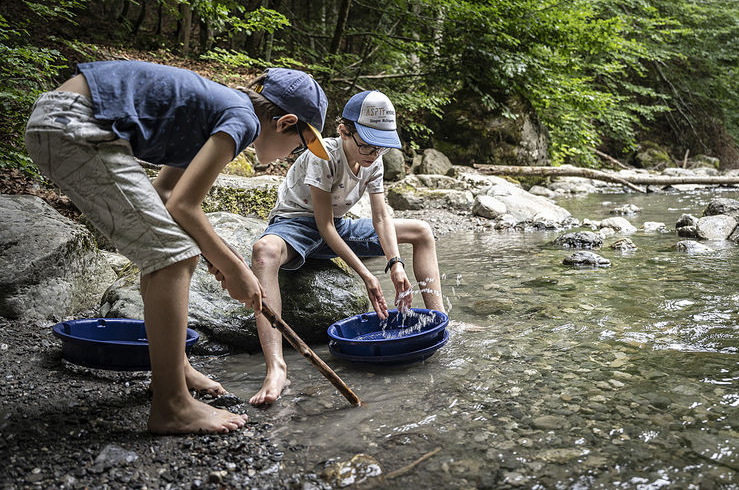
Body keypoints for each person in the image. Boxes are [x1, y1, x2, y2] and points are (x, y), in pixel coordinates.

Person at [24, 61, 329, 434]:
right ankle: (171, 404)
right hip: (76, 124)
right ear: (284, 123)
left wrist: (223, 259)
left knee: (167, 252)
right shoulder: (243, 118)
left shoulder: (213, 112)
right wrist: (234, 270)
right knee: (175, 257)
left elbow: (166, 193)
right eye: (296, 145)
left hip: (62, 118)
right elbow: (184, 205)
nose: (289, 155)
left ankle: (174, 368)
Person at [249, 90, 445, 405]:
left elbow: (381, 216)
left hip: (340, 225)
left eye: (380, 146)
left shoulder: (374, 160)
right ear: (344, 131)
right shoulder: (322, 154)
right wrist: (367, 275)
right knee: (264, 252)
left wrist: (395, 263)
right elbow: (322, 225)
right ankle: (276, 367)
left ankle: (438, 321)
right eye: (366, 144)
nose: (372, 153)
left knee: (422, 231)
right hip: (296, 225)